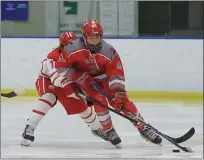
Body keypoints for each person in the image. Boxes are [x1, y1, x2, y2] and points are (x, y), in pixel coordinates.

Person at [51, 20, 163, 145]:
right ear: (84, 37)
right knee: (99, 100)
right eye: (91, 37)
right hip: (86, 80)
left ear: (101, 36)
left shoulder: (109, 51)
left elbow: (116, 74)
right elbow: (61, 67)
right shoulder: (71, 48)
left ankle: (144, 128)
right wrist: (79, 77)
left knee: (122, 102)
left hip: (104, 78)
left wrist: (118, 92)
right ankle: (109, 130)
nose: (94, 41)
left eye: (97, 37)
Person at [21, 32, 110, 147]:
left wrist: (88, 90)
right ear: (60, 45)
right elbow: (56, 78)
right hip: (48, 80)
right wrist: (71, 86)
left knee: (81, 106)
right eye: (65, 46)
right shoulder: (52, 58)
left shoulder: (80, 54)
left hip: (68, 82)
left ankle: (96, 128)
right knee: (49, 97)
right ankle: (30, 126)